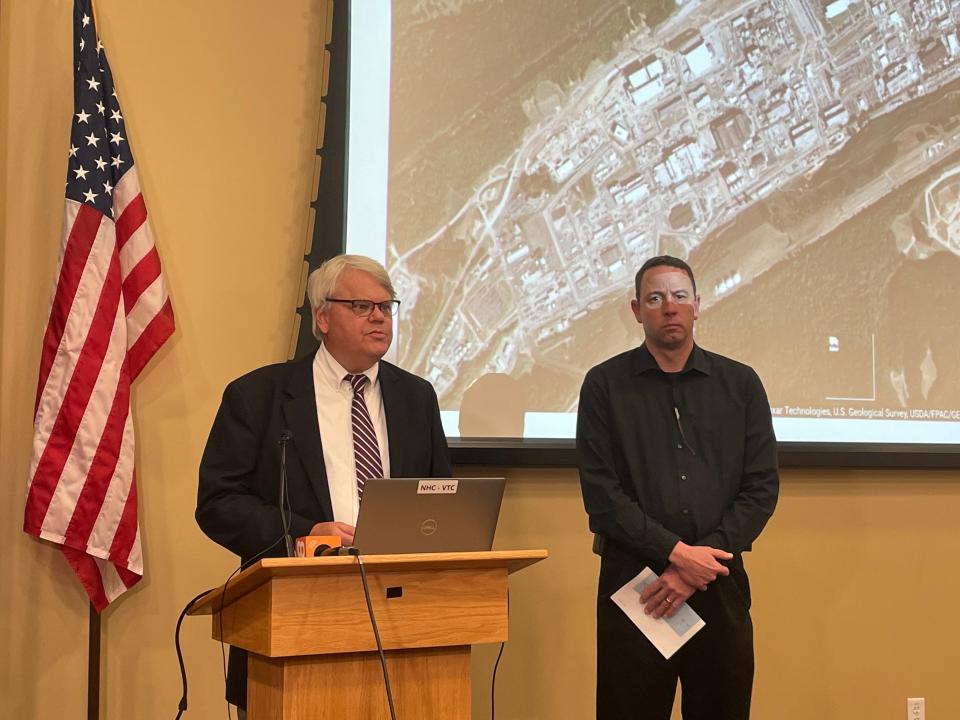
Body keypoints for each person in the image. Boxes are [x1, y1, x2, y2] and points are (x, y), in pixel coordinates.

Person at [196, 254, 452, 712]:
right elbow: (218, 502)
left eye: (385, 306)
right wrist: (303, 535)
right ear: (321, 317)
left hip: (406, 620)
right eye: (360, 306)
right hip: (297, 614)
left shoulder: (417, 397)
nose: (378, 316)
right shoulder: (258, 396)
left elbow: (438, 497)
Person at [576, 255, 778, 720]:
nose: (669, 307)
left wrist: (696, 564)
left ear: (697, 306)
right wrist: (676, 554)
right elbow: (603, 496)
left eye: (679, 296)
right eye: (655, 298)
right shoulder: (604, 385)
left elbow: (761, 488)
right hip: (636, 589)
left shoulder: (741, 384)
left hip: (719, 582)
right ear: (636, 310)